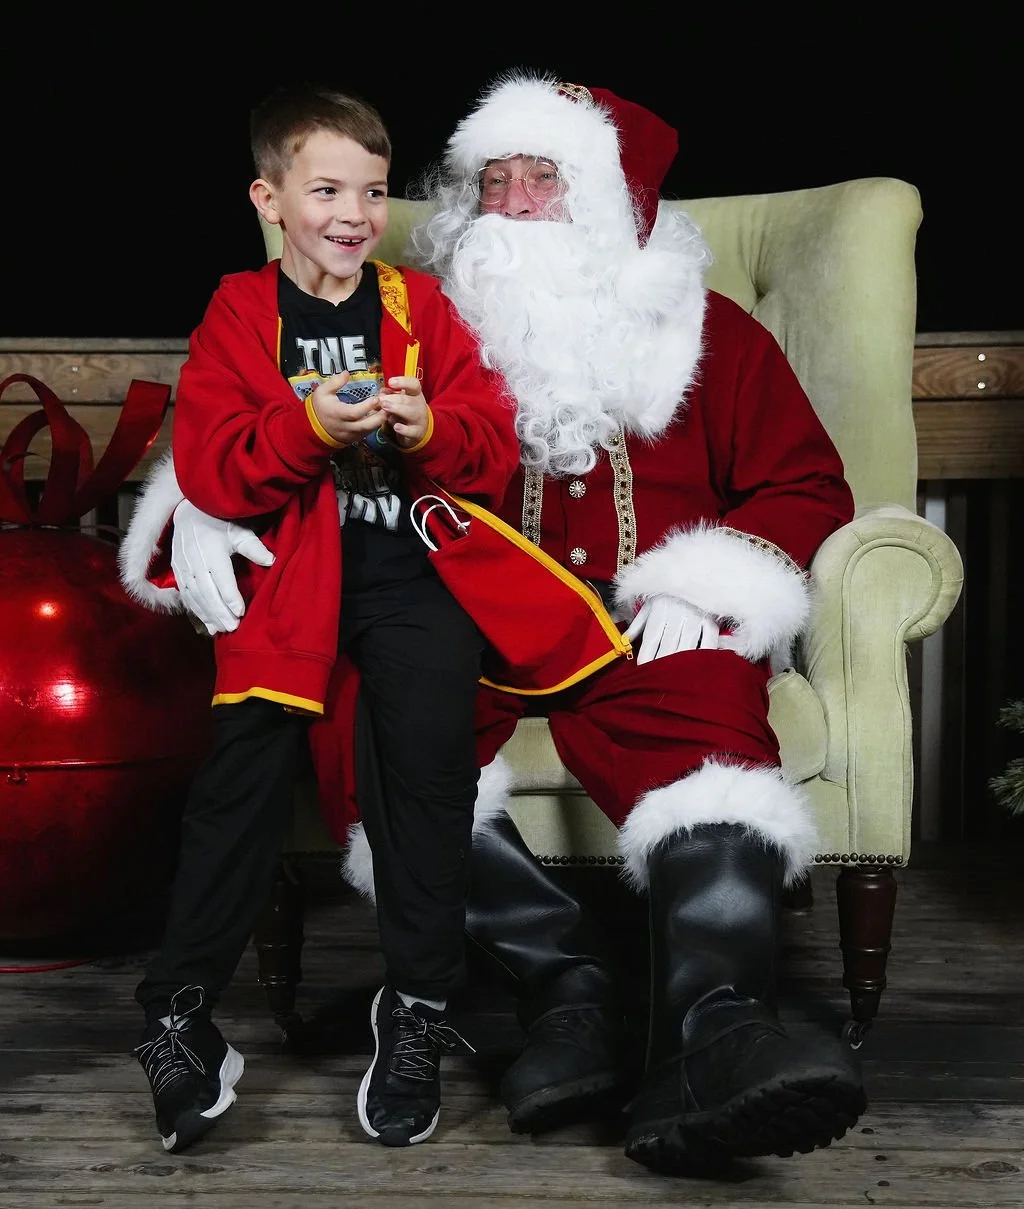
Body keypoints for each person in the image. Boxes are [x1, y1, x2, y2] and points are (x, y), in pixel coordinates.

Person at [121, 71, 868, 1174]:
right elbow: (253, 408)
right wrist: (191, 508)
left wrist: (705, 583)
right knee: (362, 714)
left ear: (607, 201)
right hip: (456, 615)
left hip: (638, 625)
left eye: (543, 179)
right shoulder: (413, 319)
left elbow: (804, 484)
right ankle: (566, 992)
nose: (512, 205)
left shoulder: (712, 336)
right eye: (492, 180)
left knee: (711, 705)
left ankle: (714, 1030)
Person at [119, 82, 523, 1155]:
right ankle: (178, 1016)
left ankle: (417, 1008)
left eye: (374, 192)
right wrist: (306, 426)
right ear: (270, 199)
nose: (355, 214)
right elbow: (214, 467)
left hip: (410, 582)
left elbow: (491, 446)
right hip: (290, 585)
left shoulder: (418, 308)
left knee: (430, 776)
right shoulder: (240, 311)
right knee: (239, 781)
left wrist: (431, 427)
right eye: (327, 191)